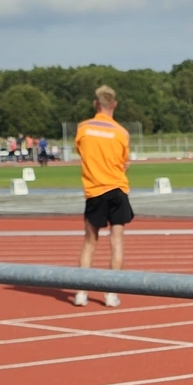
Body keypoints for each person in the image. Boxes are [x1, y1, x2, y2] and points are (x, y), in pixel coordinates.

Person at [72, 85, 133, 307]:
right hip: (117, 189)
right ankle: (110, 293)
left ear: (95, 104)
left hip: (94, 191)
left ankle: (81, 292)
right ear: (114, 104)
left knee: (90, 243)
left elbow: (82, 153)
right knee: (116, 242)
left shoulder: (83, 129)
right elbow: (124, 162)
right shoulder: (122, 133)